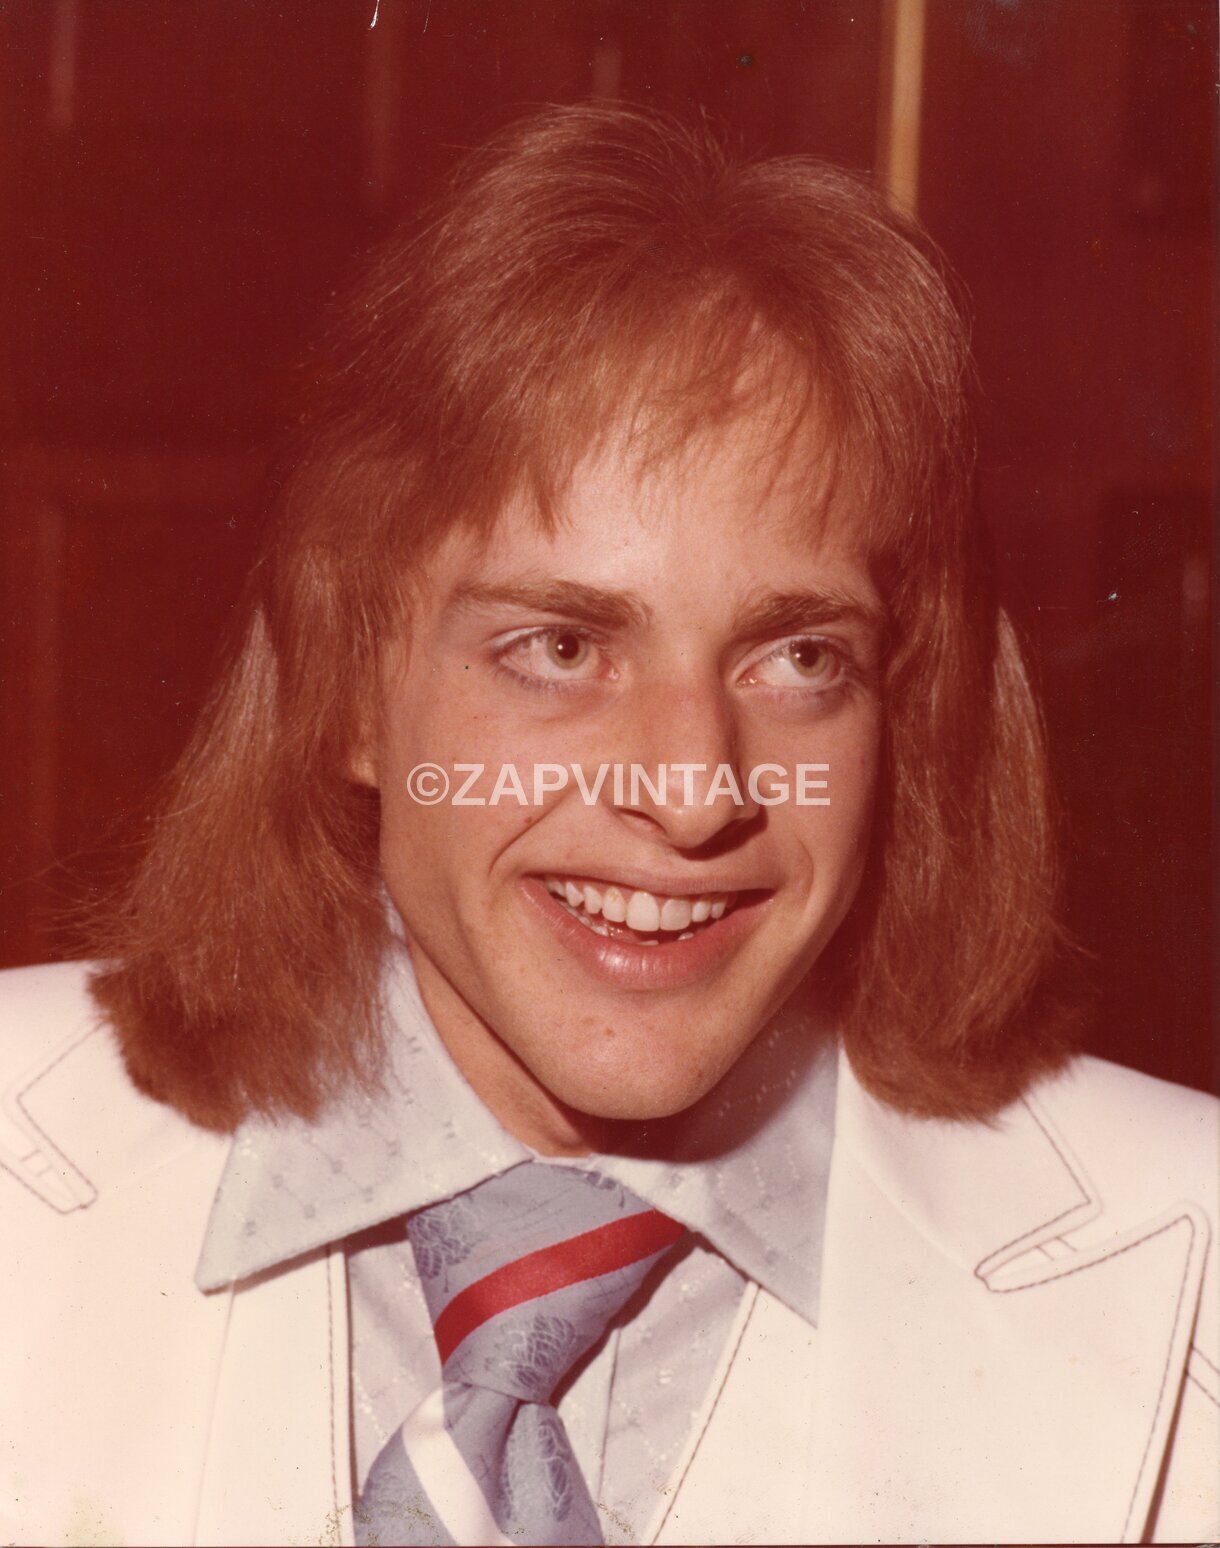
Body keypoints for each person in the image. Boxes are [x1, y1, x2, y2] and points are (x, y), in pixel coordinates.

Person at [1, 103, 1215, 1548]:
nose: (695, 791)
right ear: (347, 690)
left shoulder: (1193, 1267)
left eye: (800, 657)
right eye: (561, 648)